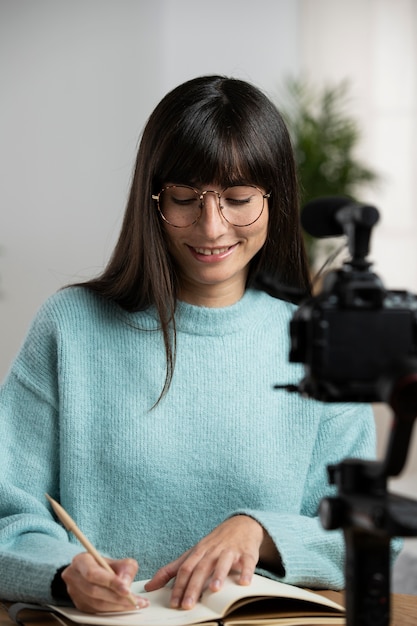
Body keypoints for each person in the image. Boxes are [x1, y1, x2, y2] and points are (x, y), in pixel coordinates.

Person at [0, 75, 376, 614]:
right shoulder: (71, 327)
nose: (212, 226)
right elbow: (7, 512)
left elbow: (369, 535)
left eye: (239, 198)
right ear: (152, 198)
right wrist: (61, 572)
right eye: (184, 199)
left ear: (276, 198)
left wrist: (261, 532)